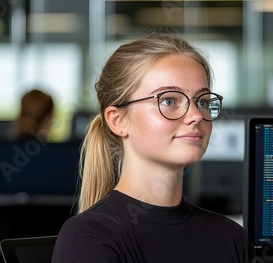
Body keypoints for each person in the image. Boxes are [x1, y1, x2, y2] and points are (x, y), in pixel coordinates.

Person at [52, 34, 254, 262]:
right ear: (118, 120)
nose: (197, 115)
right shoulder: (88, 238)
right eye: (169, 101)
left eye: (202, 101)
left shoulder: (231, 237)